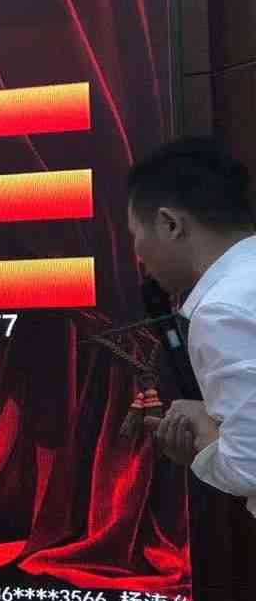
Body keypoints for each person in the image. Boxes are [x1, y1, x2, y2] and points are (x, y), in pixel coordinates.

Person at [127, 137, 256, 517]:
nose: (138, 255)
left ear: (170, 224)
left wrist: (203, 433)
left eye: (135, 235)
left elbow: (249, 467)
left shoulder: (221, 311)